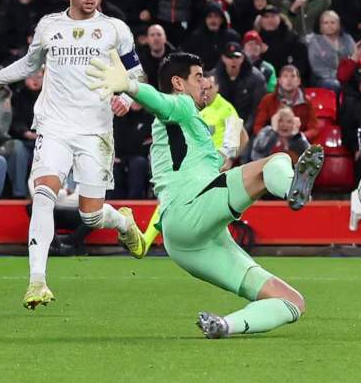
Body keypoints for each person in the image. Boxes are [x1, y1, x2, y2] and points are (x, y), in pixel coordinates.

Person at [85, 49, 324, 338]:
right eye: (199, 77)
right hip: (192, 209)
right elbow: (159, 102)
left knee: (291, 301)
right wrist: (130, 86)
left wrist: (226, 152)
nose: (206, 84)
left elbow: (208, 169)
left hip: (187, 242)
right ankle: (291, 188)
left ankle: (224, 325)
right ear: (178, 83)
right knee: (277, 161)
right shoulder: (180, 105)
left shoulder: (186, 129)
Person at [0, 0, 148, 309]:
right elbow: (28, 66)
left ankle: (121, 221)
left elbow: (137, 75)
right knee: (44, 195)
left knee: (90, 215)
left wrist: (125, 97)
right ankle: (37, 282)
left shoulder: (115, 30)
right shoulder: (50, 26)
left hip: (96, 131)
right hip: (54, 126)